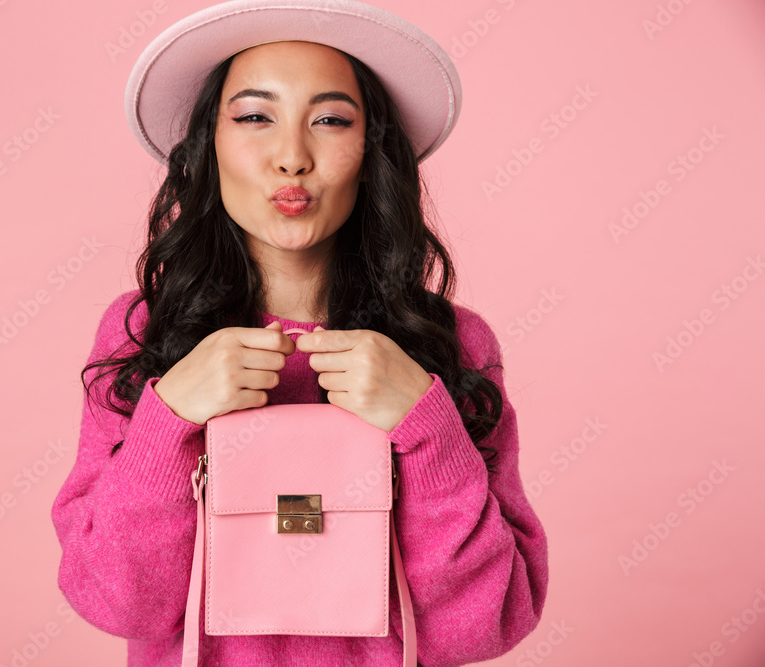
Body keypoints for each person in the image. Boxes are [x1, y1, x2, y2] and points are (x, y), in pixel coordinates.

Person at [51, 1, 548, 665]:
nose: (292, 157)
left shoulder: (452, 344)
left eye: (331, 119)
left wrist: (426, 427)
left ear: (372, 152)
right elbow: (116, 603)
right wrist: (167, 418)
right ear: (208, 147)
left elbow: (486, 626)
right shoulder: (144, 331)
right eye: (255, 116)